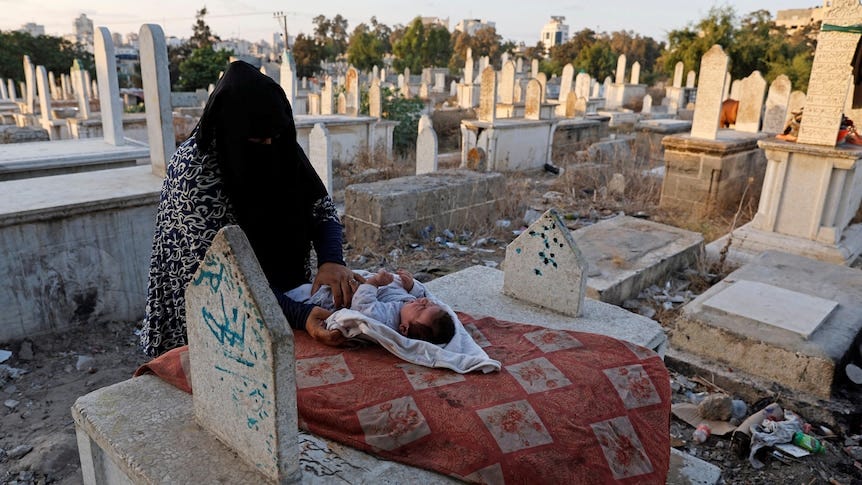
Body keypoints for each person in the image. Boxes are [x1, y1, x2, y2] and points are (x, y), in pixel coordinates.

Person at [140, 60, 360, 357]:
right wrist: (297, 314)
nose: (269, 145)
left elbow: (320, 207)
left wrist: (331, 261)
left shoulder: (280, 143)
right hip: (211, 301)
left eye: (276, 136)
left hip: (280, 287)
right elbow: (224, 277)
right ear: (229, 131)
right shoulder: (195, 171)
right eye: (257, 139)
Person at [288, 268, 456, 345]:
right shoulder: (411, 304)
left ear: (404, 328)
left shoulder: (388, 317)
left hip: (325, 298)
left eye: (422, 308)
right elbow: (422, 295)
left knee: (296, 293)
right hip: (351, 280)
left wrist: (374, 283)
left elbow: (362, 306)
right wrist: (411, 285)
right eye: (429, 304)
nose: (423, 302)